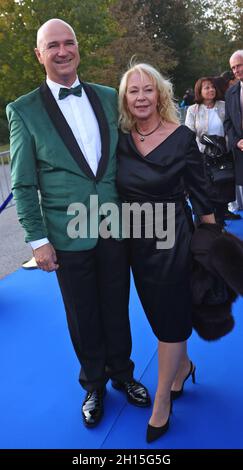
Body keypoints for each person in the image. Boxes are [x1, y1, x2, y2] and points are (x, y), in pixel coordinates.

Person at [6, 19, 150, 429]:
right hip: (65, 233)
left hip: (114, 225)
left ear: (78, 49)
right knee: (82, 312)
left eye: (69, 42)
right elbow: (23, 181)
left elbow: (136, 150)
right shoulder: (23, 110)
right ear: (40, 54)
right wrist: (37, 240)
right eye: (53, 45)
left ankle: (123, 373)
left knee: (117, 306)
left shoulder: (109, 97)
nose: (63, 50)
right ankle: (94, 384)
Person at [117, 63, 216, 443]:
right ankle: (184, 365)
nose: (141, 97)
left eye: (148, 90)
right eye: (133, 91)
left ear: (160, 94)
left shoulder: (181, 137)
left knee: (169, 322)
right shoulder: (121, 139)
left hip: (173, 239)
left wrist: (209, 242)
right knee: (163, 314)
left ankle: (162, 401)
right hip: (135, 242)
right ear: (125, 99)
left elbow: (200, 190)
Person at [185, 76, 235, 228]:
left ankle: (219, 225)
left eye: (212, 87)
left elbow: (230, 128)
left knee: (222, 192)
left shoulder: (223, 106)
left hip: (223, 157)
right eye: (206, 87)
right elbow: (189, 133)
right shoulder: (193, 110)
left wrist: (223, 145)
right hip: (202, 157)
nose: (211, 90)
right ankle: (203, 228)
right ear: (199, 91)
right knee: (205, 193)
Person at [224, 50, 243, 211]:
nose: (236, 70)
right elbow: (228, 123)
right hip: (240, 151)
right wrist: (237, 141)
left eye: (239, 65)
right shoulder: (230, 93)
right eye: (233, 68)